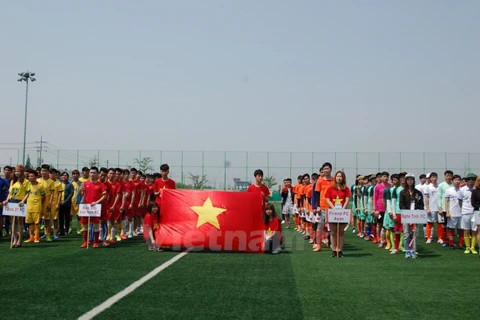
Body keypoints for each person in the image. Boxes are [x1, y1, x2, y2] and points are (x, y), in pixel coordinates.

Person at [79, 167, 107, 248]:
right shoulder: (85, 183)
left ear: (97, 174)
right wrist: (80, 190)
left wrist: (96, 202)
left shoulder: (101, 185)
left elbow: (104, 195)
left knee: (95, 225)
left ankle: (95, 242)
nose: (92, 174)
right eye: (91, 172)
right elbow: (81, 195)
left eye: (94, 173)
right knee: (84, 225)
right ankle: (85, 241)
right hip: (86, 207)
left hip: (95, 207)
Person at [325, 171, 351, 258]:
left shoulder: (346, 189)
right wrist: (333, 208)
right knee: (333, 232)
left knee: (341, 232)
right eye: (337, 176)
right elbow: (327, 199)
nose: (339, 178)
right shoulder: (330, 188)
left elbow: (347, 199)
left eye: (341, 176)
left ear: (343, 178)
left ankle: (340, 250)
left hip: (342, 213)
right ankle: (334, 250)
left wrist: (343, 209)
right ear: (335, 177)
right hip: (333, 212)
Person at [3, 165, 29, 247]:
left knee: (19, 221)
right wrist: (7, 200)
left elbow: (28, 193)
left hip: (20, 202)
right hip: (12, 202)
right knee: (12, 221)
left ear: (22, 172)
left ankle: (19, 240)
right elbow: (10, 193)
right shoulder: (12, 181)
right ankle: (14, 239)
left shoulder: (26, 182)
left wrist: (23, 201)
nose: (17, 173)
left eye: (19, 171)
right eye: (16, 171)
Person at [399, 173, 424, 258]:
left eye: (411, 179)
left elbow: (421, 204)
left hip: (416, 216)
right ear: (406, 181)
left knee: (415, 234)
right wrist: (408, 212)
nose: (410, 181)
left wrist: (418, 210)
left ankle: (413, 250)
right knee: (406, 234)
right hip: (407, 216)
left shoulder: (418, 193)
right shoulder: (403, 192)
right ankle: (407, 251)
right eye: (408, 179)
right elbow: (401, 205)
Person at [314, 162, 335, 252]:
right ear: (322, 170)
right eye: (324, 169)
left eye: (328, 168)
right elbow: (317, 194)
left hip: (333, 207)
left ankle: (332, 244)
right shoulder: (320, 181)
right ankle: (318, 245)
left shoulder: (334, 180)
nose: (326, 170)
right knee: (320, 226)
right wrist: (317, 206)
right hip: (322, 207)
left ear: (331, 169)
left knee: (332, 226)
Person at [458, 173, 477, 254]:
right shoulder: (462, 190)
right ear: (466, 181)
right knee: (466, 230)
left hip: (475, 212)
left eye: (473, 179)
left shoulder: (477, 189)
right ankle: (467, 247)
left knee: (474, 230)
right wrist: (464, 209)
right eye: (469, 180)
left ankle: (473, 247)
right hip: (465, 212)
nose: (471, 181)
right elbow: (460, 201)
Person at [25, 170, 45, 243]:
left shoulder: (40, 185)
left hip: (37, 206)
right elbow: (26, 194)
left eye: (32, 176)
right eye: (29, 176)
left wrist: (40, 203)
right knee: (30, 222)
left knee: (36, 222)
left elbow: (43, 196)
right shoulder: (28, 185)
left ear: (36, 177)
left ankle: (37, 237)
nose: (30, 177)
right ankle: (31, 237)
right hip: (29, 206)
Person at [37, 164, 55, 242]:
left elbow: (52, 194)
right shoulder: (37, 180)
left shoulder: (51, 181)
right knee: (37, 220)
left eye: (45, 171)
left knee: (47, 220)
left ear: (48, 172)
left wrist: (50, 203)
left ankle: (48, 235)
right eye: (42, 171)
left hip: (47, 203)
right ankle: (36, 236)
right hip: (38, 203)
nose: (43, 172)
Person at [445, 175, 462, 249]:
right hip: (452, 212)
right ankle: (451, 243)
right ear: (452, 181)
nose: (457, 181)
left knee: (461, 229)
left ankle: (461, 244)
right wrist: (447, 212)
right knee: (451, 228)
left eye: (458, 180)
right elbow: (446, 202)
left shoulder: (462, 190)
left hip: (461, 213)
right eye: (455, 180)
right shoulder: (449, 190)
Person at [374, 172, 390, 247]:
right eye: (384, 176)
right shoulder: (378, 187)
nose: (386, 178)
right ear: (381, 178)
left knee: (387, 225)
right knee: (379, 224)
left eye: (387, 176)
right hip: (380, 208)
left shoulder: (390, 186)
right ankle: (379, 239)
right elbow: (375, 198)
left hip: (388, 209)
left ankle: (387, 240)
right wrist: (376, 209)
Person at [437, 170, 453, 246]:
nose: (449, 177)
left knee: (451, 226)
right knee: (444, 225)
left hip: (452, 209)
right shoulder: (441, 185)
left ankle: (450, 241)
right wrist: (439, 208)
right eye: (447, 175)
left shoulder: (453, 185)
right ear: (445, 176)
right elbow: (439, 197)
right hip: (443, 208)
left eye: (450, 175)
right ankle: (444, 240)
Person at [424, 172, 439, 244]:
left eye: (435, 177)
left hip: (439, 208)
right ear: (430, 178)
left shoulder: (439, 186)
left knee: (440, 223)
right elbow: (426, 198)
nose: (434, 178)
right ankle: (429, 237)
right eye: (433, 177)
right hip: (431, 208)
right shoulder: (427, 187)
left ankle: (440, 238)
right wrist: (427, 208)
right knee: (430, 223)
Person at [58, 172, 74, 236]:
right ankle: (61, 231)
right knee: (60, 218)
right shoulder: (59, 184)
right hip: (59, 203)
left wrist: (66, 201)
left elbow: (71, 193)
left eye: (65, 175)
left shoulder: (70, 184)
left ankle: (66, 231)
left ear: (67, 177)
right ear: (61, 177)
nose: (64, 177)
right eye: (63, 175)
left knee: (67, 218)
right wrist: (59, 202)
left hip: (67, 204)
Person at [470, 176, 480, 257]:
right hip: (478, 212)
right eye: (479, 181)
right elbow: (473, 203)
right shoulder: (475, 191)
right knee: (479, 231)